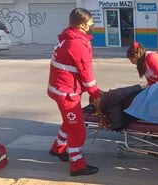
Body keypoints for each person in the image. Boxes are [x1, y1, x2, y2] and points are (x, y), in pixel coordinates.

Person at [47, 7, 100, 176]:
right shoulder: (77, 43)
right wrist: (96, 95)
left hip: (58, 88)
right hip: (66, 93)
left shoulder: (66, 37)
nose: (93, 26)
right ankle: (77, 165)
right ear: (83, 25)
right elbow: (87, 74)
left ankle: (58, 148)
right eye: (91, 23)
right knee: (78, 129)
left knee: (68, 121)